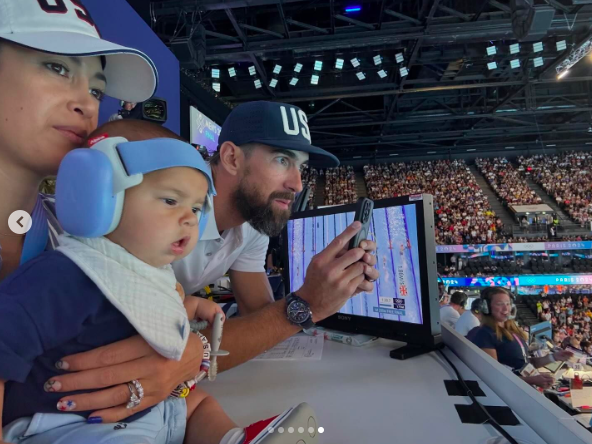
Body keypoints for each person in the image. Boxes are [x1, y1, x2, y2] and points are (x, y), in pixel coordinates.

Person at [0, 5, 378, 423]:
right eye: (56, 67)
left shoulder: (62, 230)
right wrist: (303, 306)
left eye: (96, 89)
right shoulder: (107, 234)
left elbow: (200, 331)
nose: (86, 104)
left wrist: (190, 352)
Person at [1, 122, 315, 444]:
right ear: (102, 197)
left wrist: (182, 307)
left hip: (149, 409)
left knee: (198, 405)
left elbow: (133, 306)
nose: (190, 218)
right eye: (169, 201)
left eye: (196, 208)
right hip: (73, 425)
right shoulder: (62, 275)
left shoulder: (151, 271)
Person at [471, 287, 572, 389]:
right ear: (486, 307)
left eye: (508, 304)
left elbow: (525, 363)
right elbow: (494, 376)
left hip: (525, 390)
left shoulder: (512, 331)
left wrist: (554, 357)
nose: (506, 309)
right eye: (499, 304)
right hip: (512, 395)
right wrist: (532, 380)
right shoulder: (484, 334)